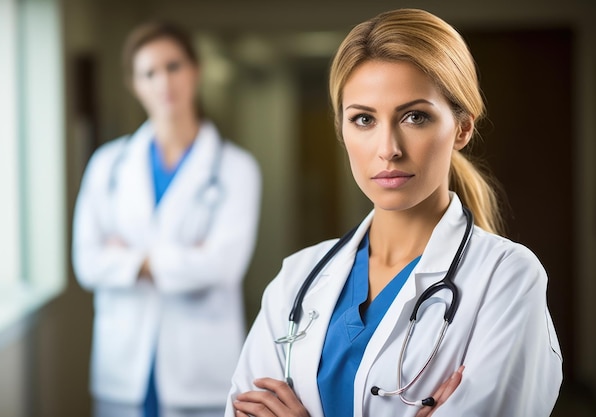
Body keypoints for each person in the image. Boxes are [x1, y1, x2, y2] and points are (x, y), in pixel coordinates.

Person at [225, 8, 562, 417]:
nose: (388, 148)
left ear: (462, 128)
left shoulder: (506, 278)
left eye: (414, 116)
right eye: (363, 119)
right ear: (342, 130)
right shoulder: (296, 280)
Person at [72, 21, 262, 417]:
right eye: (149, 73)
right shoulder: (108, 165)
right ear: (134, 84)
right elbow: (88, 263)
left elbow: (223, 266)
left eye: (173, 66)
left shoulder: (236, 169)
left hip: (201, 373)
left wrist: (133, 259)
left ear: (196, 70)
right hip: (122, 371)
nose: (163, 82)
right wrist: (182, 259)